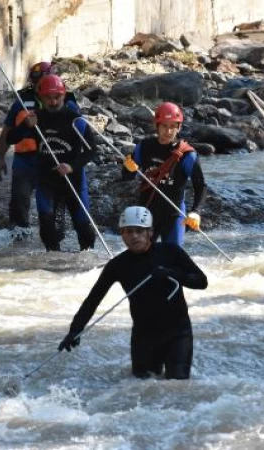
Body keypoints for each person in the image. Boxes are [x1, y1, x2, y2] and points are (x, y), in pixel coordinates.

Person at [58, 206, 208, 380]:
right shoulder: (117, 265)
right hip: (144, 337)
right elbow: (93, 300)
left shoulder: (171, 252)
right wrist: (75, 330)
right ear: (122, 234)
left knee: (177, 386)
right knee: (142, 390)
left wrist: (174, 274)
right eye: (128, 231)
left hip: (177, 333)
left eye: (139, 231)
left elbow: (201, 281)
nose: (134, 236)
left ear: (150, 232)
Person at [0, 62, 79, 242]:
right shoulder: (22, 102)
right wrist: (0, 158)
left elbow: (79, 134)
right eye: (37, 84)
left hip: (53, 161)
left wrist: (73, 164)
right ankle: (19, 237)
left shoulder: (68, 102)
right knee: (19, 199)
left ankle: (56, 242)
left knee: (55, 206)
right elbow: (8, 131)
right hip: (26, 160)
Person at [17, 74, 95, 251]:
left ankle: (85, 266)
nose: (53, 102)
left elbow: (92, 152)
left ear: (64, 95)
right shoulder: (35, 118)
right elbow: (12, 138)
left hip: (73, 181)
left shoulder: (76, 120)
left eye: (57, 97)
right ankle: (53, 267)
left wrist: (71, 166)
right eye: (48, 98)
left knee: (84, 228)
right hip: (47, 181)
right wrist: (25, 126)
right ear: (41, 97)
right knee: (47, 230)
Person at [121, 102, 206, 246]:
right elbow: (126, 177)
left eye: (173, 126)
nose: (168, 131)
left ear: (179, 127)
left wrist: (196, 212)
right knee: (141, 258)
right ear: (157, 126)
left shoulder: (187, 155)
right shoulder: (145, 147)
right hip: (146, 213)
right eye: (164, 126)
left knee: (172, 257)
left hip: (174, 215)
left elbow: (201, 186)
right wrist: (128, 169)